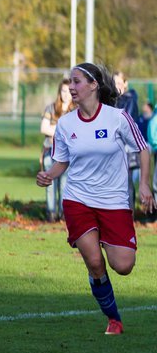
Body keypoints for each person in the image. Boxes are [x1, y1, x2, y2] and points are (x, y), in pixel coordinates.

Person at [36, 62, 153, 335]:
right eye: (69, 82)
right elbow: (61, 161)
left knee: (123, 265)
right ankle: (114, 318)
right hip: (78, 200)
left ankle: (102, 242)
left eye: (76, 82)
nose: (71, 88)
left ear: (93, 85)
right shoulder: (65, 124)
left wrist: (145, 185)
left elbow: (143, 149)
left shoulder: (117, 118)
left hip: (114, 201)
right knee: (95, 263)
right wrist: (49, 175)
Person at [40, 78, 74, 221]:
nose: (66, 94)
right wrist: (62, 130)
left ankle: (63, 214)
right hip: (50, 149)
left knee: (65, 183)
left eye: (69, 91)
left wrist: (54, 129)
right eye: (63, 91)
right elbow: (43, 128)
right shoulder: (51, 108)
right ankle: (51, 213)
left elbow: (75, 132)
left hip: (67, 153)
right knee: (49, 182)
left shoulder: (76, 110)